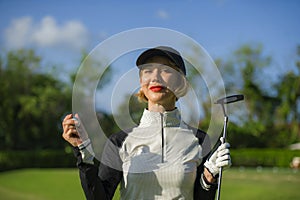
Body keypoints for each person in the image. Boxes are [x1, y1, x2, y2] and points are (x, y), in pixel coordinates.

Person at [62, 46, 231, 200]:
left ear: (180, 82)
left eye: (166, 70)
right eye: (148, 71)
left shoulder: (200, 140)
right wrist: (84, 155)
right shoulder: (119, 141)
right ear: (141, 84)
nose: (155, 77)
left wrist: (208, 177)